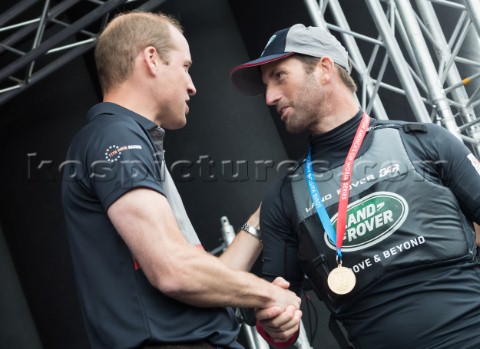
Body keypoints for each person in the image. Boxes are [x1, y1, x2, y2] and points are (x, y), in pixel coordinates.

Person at [61, 12, 302, 349]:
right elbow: (174, 271)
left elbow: (197, 276)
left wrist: (265, 215)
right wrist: (266, 294)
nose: (192, 85)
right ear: (151, 60)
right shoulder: (116, 136)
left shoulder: (130, 138)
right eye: (185, 66)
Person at [230, 23, 480, 349]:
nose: (270, 97)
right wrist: (276, 322)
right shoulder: (283, 198)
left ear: (323, 69)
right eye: (266, 85)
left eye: (279, 76)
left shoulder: (427, 142)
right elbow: (274, 316)